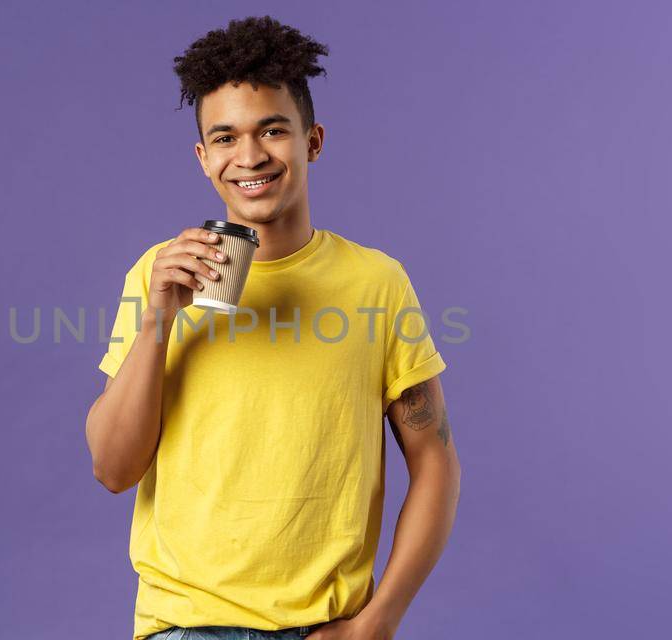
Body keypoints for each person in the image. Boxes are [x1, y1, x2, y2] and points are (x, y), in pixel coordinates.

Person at [85, 16, 461, 640]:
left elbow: (436, 463)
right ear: (204, 158)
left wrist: (378, 622)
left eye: (273, 130)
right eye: (225, 137)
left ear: (312, 141)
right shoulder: (162, 273)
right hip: (186, 626)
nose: (251, 156)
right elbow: (113, 469)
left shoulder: (377, 283)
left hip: (326, 627)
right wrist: (159, 319)